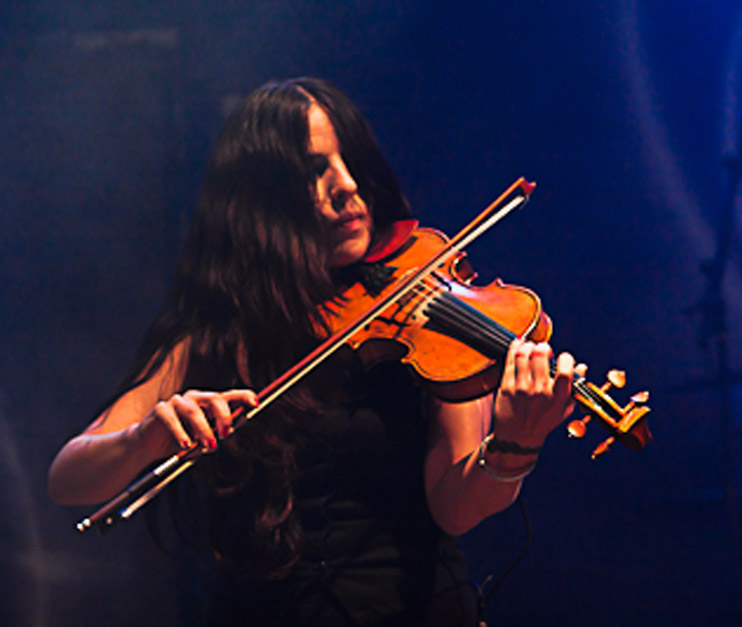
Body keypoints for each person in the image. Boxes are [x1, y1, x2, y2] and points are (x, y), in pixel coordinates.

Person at [47, 77, 581, 626]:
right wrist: (148, 436)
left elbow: (455, 508)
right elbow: (69, 479)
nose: (346, 186)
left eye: (349, 160)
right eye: (313, 172)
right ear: (261, 201)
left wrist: (515, 444)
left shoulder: (426, 312)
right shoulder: (219, 329)